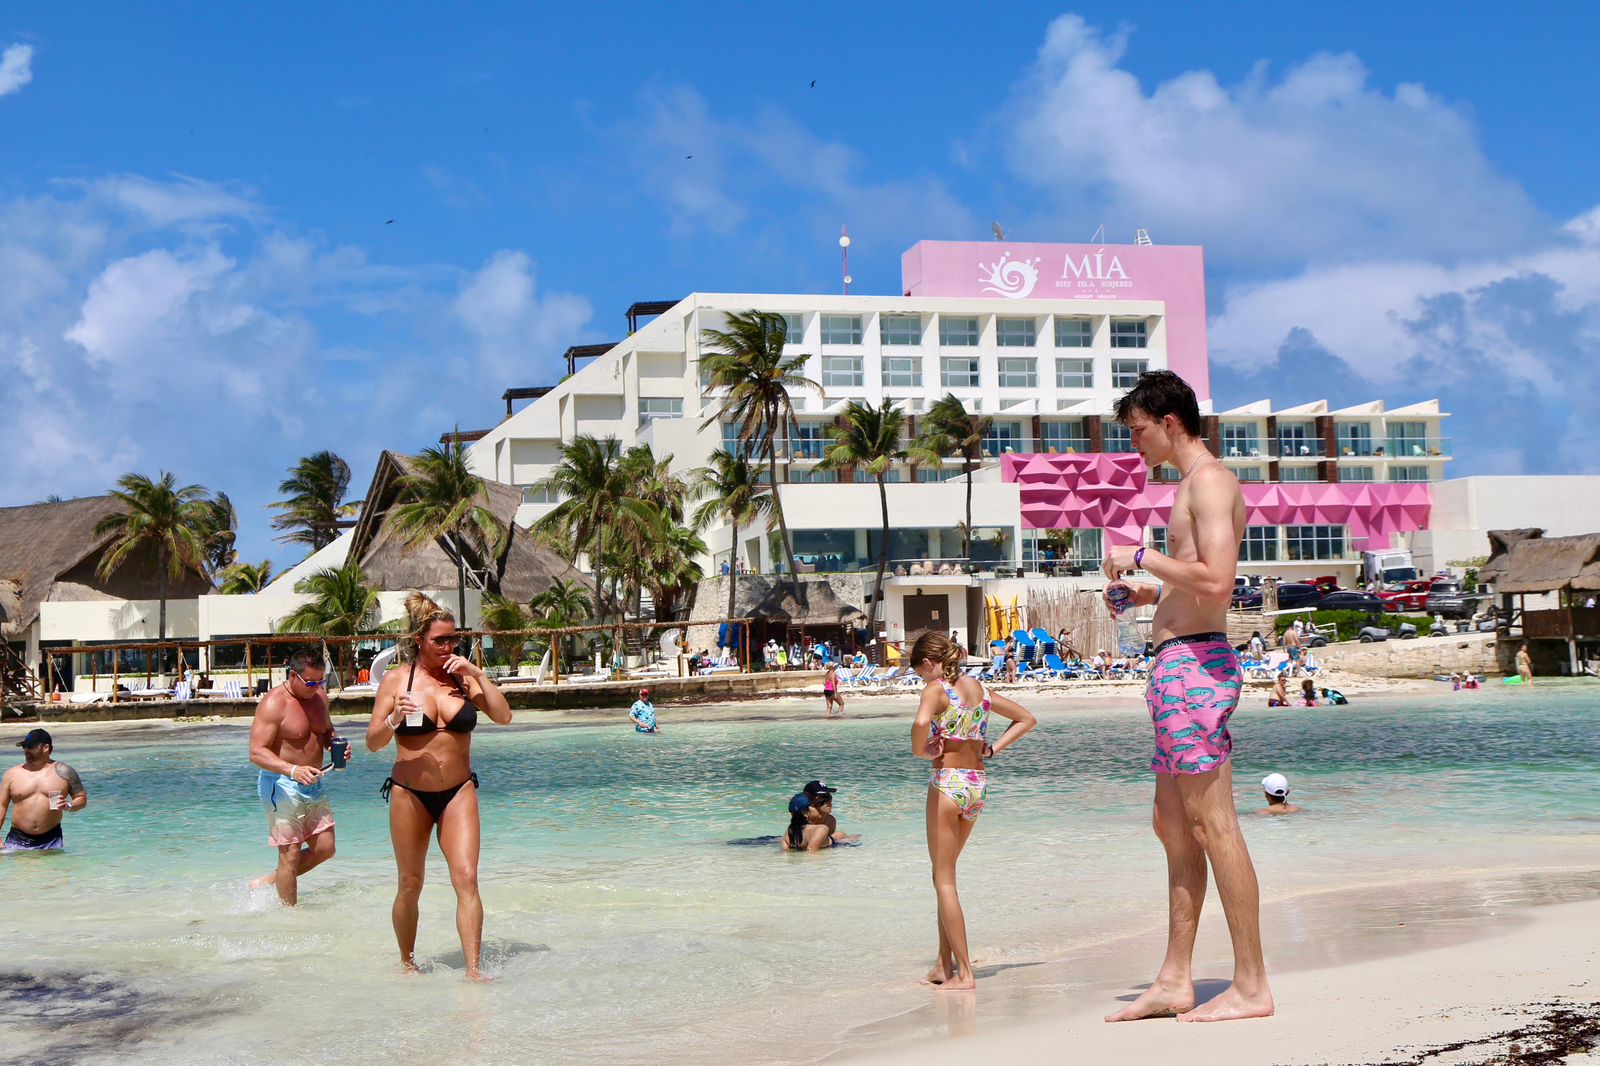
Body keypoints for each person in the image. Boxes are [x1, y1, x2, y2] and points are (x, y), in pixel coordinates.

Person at [1099, 369, 1274, 1022]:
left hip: (1195, 670)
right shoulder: (1191, 487)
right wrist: (1146, 593)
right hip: (1176, 668)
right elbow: (1194, 581)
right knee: (1173, 826)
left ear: (1168, 421)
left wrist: (1142, 556)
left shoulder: (1210, 482)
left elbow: (1219, 579)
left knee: (1213, 824)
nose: (1135, 444)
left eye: (1139, 430)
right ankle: (1175, 979)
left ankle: (1252, 986)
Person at [367, 591, 513, 980]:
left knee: (466, 878)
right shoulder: (398, 680)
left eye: (454, 639)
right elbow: (372, 742)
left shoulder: (463, 680)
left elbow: (503, 716)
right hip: (409, 793)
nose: (449, 646)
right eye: (441, 640)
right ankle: (407, 963)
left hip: (459, 790)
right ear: (420, 641)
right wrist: (395, 717)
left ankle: (473, 970)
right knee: (410, 883)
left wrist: (478, 674)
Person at [909, 630, 1038, 991]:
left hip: (947, 782)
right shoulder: (978, 689)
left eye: (921, 671)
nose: (923, 677)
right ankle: (942, 964)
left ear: (931, 663)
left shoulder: (936, 689)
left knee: (944, 880)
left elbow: (921, 724)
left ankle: (964, 974)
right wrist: (993, 749)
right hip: (976, 785)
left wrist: (922, 752)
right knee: (943, 874)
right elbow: (1027, 719)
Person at [248, 648, 345, 905]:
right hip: (281, 784)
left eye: (320, 682)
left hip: (314, 782)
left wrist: (335, 744)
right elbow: (256, 752)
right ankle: (290, 918)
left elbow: (325, 730)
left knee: (325, 848)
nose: (316, 687)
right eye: (310, 682)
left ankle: (270, 880)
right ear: (293, 675)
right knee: (290, 854)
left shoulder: (319, 697)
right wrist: (292, 769)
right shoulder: (274, 703)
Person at [2, 729, 87, 851]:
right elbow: (1, 806)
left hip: (51, 840)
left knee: (52, 870)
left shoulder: (64, 772)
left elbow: (82, 799)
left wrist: (68, 805)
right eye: (24, 747)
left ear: (46, 747)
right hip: (17, 839)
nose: (26, 750)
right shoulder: (12, 774)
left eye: (30, 747)